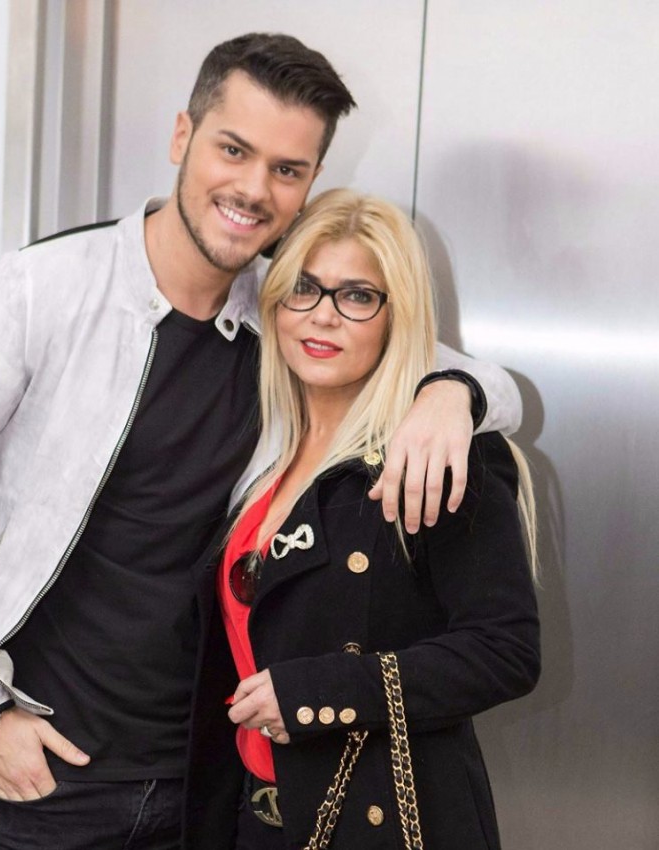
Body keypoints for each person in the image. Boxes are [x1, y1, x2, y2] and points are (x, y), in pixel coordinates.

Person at [0, 34, 522, 850]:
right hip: (51, 783)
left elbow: (464, 372)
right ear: (183, 136)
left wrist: (454, 394)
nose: (253, 189)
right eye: (233, 150)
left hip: (209, 788)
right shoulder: (44, 290)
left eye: (287, 169)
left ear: (310, 181)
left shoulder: (285, 313)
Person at [187, 188, 540, 850]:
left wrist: (319, 691)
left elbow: (506, 652)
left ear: (395, 316)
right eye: (304, 288)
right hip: (253, 819)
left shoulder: (434, 452)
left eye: (356, 296)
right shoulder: (261, 449)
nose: (322, 316)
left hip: (376, 820)